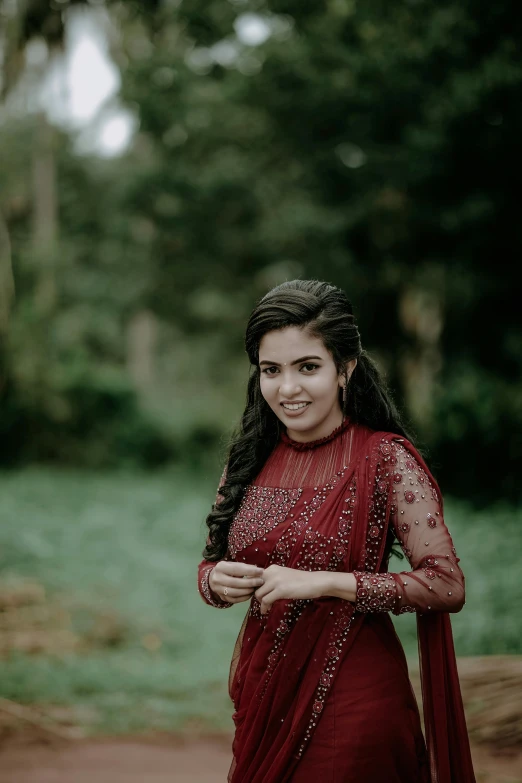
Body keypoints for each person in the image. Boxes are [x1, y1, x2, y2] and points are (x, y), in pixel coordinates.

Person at [197, 280, 476, 783]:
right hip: (264, 694)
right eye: (271, 370)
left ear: (345, 368)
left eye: (307, 367)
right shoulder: (249, 458)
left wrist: (326, 583)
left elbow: (445, 584)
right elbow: (210, 563)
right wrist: (214, 581)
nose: (287, 389)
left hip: (355, 696)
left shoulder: (386, 459)